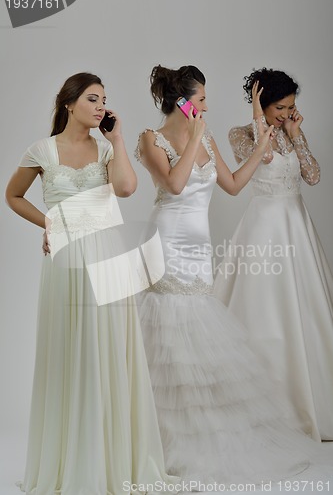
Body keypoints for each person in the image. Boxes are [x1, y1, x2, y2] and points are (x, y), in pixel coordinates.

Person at [135, 64, 322, 489]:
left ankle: (201, 429)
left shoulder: (210, 137)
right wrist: (196, 138)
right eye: (200, 99)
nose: (206, 105)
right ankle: (160, 438)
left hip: (198, 249)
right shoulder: (151, 139)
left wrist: (262, 145)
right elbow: (177, 185)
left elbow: (234, 185)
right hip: (166, 242)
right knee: (168, 332)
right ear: (182, 101)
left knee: (199, 332)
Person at [5, 72, 180, 495]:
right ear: (69, 103)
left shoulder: (105, 150)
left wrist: (117, 140)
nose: (101, 105)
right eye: (92, 98)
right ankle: (77, 460)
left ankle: (114, 459)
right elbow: (12, 196)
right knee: (74, 351)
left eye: (104, 99)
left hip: (106, 256)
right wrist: (50, 222)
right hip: (65, 263)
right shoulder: (42, 150)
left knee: (110, 352)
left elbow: (126, 187)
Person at [213, 67, 333, 442]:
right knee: (263, 309)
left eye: (291, 107)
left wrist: (297, 138)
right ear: (261, 104)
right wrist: (256, 120)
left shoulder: (291, 132)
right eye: (279, 107)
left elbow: (312, 177)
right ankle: (258, 408)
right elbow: (259, 159)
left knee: (306, 310)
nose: (285, 114)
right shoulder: (240, 134)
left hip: (296, 225)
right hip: (264, 228)